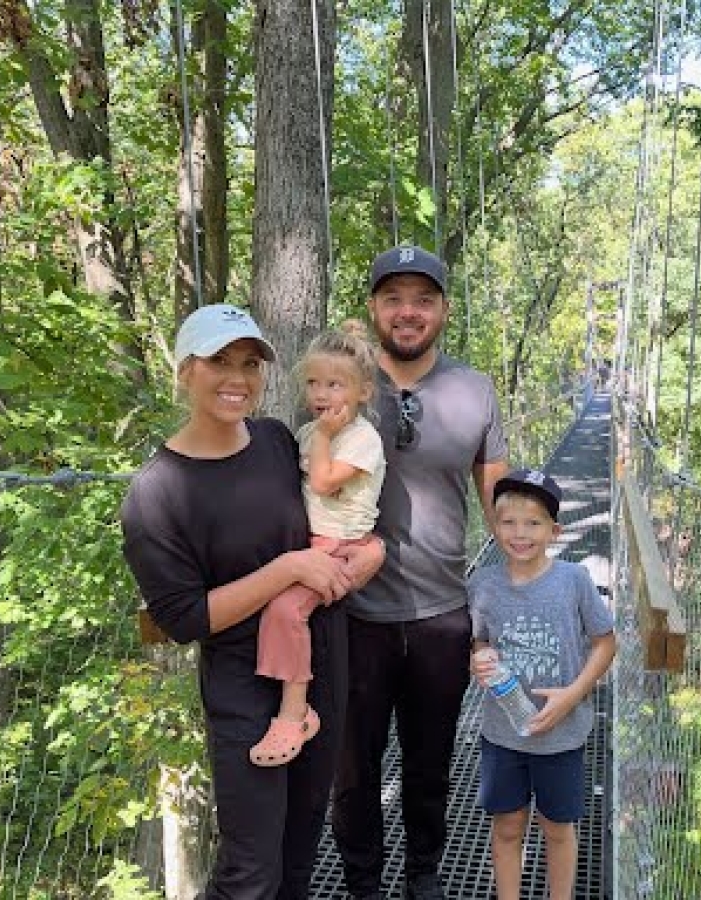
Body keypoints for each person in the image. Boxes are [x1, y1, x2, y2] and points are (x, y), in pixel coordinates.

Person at [120, 303, 384, 900]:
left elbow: (335, 514)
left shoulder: (273, 440)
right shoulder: (155, 495)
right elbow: (183, 618)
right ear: (185, 370)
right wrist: (286, 569)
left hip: (321, 664)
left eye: (249, 363)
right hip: (244, 685)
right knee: (250, 870)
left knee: (299, 852)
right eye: (219, 361)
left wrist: (375, 552)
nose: (237, 378)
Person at [331, 245, 510, 900]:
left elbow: (501, 503)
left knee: (430, 762)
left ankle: (423, 874)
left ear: (444, 310)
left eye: (424, 299)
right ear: (374, 308)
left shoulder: (475, 390)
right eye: (394, 298)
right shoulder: (338, 384)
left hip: (441, 615)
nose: (409, 312)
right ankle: (362, 883)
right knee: (351, 771)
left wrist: (539, 581)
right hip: (351, 614)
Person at [469, 469, 617, 900]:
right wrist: (479, 658)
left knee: (557, 827)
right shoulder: (482, 585)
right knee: (507, 825)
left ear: (554, 530)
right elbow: (479, 641)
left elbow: (606, 644)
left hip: (562, 736)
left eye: (533, 523)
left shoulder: (574, 581)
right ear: (494, 527)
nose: (520, 534)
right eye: (508, 522)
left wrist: (573, 695)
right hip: (502, 734)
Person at [250, 329, 386, 766]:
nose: (321, 393)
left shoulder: (362, 437)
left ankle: (295, 712)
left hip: (341, 547)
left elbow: (325, 482)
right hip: (311, 545)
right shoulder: (309, 432)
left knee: (287, 611)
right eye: (313, 383)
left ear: (363, 391)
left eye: (335, 384)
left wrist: (325, 436)